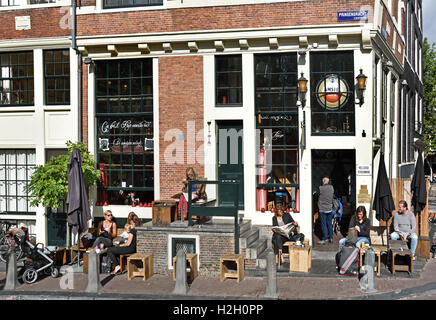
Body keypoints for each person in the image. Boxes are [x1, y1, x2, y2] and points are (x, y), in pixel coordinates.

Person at [316, 176, 335, 245]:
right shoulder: (331, 187)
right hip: (329, 208)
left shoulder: (320, 188)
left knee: (324, 224)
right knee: (329, 223)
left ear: (323, 181)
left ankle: (325, 239)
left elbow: (316, 195)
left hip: (322, 209)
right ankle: (331, 238)